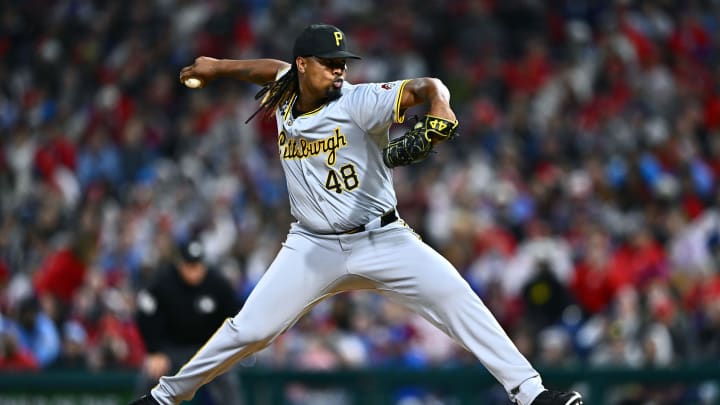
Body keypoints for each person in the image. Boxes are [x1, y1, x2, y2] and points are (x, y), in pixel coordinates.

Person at [130, 24, 583, 405]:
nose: (339, 69)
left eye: (342, 61)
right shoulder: (289, 87)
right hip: (312, 245)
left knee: (455, 297)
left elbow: (428, 87)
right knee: (249, 329)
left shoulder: (358, 100)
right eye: (330, 61)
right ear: (304, 64)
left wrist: (440, 108)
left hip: (382, 238)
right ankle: (165, 397)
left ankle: (531, 393)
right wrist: (219, 67)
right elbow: (268, 70)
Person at [135, 238, 243, 404]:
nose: (195, 271)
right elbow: (145, 316)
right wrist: (154, 351)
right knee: (150, 376)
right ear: (180, 263)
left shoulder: (217, 284)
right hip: (170, 350)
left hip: (208, 350)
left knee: (228, 382)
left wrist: (225, 352)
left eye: (198, 265)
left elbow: (235, 317)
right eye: (190, 266)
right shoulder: (163, 282)